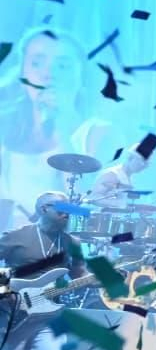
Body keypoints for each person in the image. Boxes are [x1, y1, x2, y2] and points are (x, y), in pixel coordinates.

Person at [0, 27, 112, 228]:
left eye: (62, 66)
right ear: (23, 72)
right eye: (37, 63)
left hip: (66, 251)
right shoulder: (5, 131)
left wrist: (63, 121)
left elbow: (90, 212)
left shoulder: (98, 132)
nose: (48, 74)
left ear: (81, 75)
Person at [0, 191, 89, 350]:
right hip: (11, 315)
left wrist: (104, 278)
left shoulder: (72, 243)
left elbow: (79, 275)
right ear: (42, 209)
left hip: (48, 315)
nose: (65, 212)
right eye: (59, 207)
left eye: (69, 208)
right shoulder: (16, 237)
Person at [87, 134, 156, 206]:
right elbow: (93, 198)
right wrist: (121, 204)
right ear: (130, 157)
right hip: (104, 218)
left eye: (146, 164)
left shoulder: (130, 178)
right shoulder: (112, 174)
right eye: (141, 162)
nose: (143, 166)